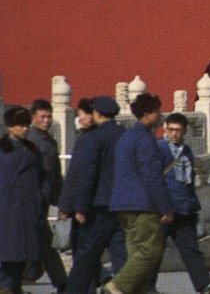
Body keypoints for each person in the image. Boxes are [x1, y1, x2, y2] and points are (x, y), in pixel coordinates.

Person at [149, 113, 210, 294]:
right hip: (163, 210)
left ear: (185, 131)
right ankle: (148, 286)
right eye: (171, 130)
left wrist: (194, 208)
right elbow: (153, 179)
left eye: (178, 130)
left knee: (191, 249)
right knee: (154, 251)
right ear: (165, 129)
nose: (174, 134)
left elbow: (189, 182)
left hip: (184, 209)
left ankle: (204, 284)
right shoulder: (159, 149)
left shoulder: (187, 151)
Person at [105, 93, 174, 294]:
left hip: (122, 203)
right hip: (142, 204)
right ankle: (118, 285)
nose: (160, 116)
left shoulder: (126, 137)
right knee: (149, 251)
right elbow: (152, 176)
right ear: (147, 114)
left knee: (135, 252)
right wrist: (165, 207)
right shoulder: (145, 139)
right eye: (157, 111)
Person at [65, 96, 128, 294]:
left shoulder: (93, 138)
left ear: (97, 114)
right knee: (122, 258)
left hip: (97, 208)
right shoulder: (125, 135)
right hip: (123, 206)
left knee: (85, 259)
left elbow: (87, 175)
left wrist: (80, 206)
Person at [1, 106, 48, 294]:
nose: (25, 129)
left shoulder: (32, 149)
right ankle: (6, 286)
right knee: (7, 253)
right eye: (20, 125)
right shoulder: (2, 149)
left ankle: (14, 286)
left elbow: (42, 176)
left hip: (29, 207)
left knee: (24, 253)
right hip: (6, 207)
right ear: (10, 126)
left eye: (26, 125)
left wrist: (42, 195)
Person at [26, 99, 68, 292]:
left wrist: (60, 200)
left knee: (41, 240)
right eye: (42, 116)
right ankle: (59, 281)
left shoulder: (48, 140)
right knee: (41, 240)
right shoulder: (31, 140)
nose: (47, 120)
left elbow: (54, 174)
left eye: (49, 116)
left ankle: (37, 274)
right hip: (32, 199)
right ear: (33, 117)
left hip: (42, 199)